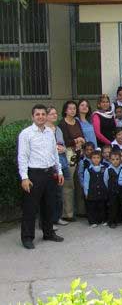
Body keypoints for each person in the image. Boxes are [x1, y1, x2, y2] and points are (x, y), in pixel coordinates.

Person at [18, 104, 65, 249]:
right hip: (34, 174)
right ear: (32, 117)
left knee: (48, 206)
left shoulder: (50, 132)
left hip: (50, 173)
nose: (40, 117)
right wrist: (24, 177)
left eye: (43, 114)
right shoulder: (26, 134)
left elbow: (54, 153)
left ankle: (48, 232)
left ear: (46, 116)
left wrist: (60, 171)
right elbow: (22, 157)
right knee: (30, 208)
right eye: (37, 114)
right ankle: (27, 237)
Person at [58, 101, 85, 222]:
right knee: (68, 184)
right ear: (65, 110)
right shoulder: (62, 124)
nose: (73, 111)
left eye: (74, 108)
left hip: (79, 153)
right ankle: (67, 213)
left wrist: (81, 141)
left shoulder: (77, 121)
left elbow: (82, 135)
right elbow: (64, 141)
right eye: (70, 109)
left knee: (79, 182)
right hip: (69, 155)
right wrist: (76, 141)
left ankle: (81, 210)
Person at [45, 106, 69, 227]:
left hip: (62, 162)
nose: (55, 116)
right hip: (50, 164)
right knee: (50, 194)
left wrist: (63, 148)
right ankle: (48, 221)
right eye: (52, 114)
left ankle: (57, 217)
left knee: (59, 192)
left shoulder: (58, 129)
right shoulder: (44, 130)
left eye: (55, 113)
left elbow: (63, 145)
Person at [83, 150, 108, 227]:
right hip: (92, 191)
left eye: (98, 157)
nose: (96, 159)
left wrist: (107, 190)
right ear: (91, 159)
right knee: (92, 207)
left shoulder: (104, 168)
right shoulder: (88, 170)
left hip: (102, 190)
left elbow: (106, 179)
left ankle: (102, 219)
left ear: (101, 159)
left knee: (102, 206)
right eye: (94, 158)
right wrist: (86, 192)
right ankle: (93, 221)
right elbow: (86, 182)